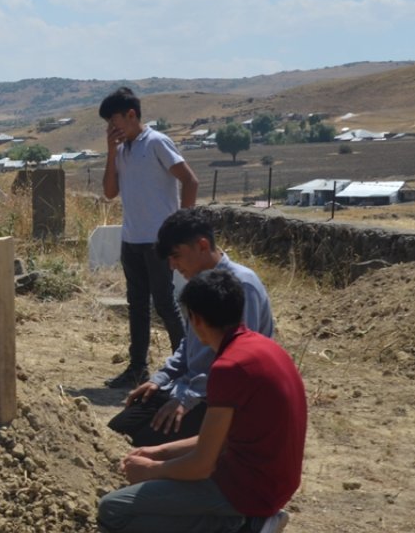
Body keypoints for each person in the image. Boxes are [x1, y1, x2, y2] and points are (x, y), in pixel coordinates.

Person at [96, 270, 304, 533]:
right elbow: (223, 438)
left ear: (195, 320)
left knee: (113, 509)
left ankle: (244, 525)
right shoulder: (265, 348)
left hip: (246, 491)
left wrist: (150, 470)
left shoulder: (229, 367)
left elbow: (201, 465)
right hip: (275, 483)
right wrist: (159, 452)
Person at [108, 207, 275, 447]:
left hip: (218, 398)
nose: (172, 266)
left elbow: (238, 364)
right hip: (187, 387)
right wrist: (162, 378)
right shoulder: (200, 283)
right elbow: (190, 343)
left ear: (203, 245)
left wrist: (187, 399)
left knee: (140, 445)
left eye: (176, 256)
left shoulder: (241, 286)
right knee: (116, 432)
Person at [100, 87, 199, 389]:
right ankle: (137, 368)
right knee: (137, 305)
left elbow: (189, 180)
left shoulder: (156, 142)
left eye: (114, 120)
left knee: (165, 304)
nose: (111, 128)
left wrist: (182, 227)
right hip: (131, 238)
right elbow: (109, 192)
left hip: (158, 241)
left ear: (131, 115)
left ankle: (186, 367)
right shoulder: (123, 149)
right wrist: (110, 152)